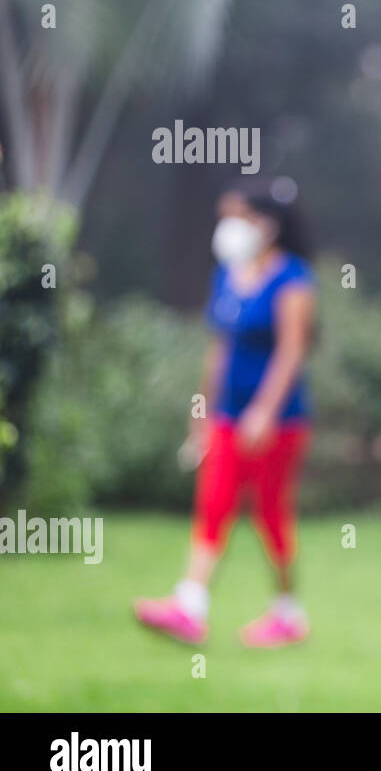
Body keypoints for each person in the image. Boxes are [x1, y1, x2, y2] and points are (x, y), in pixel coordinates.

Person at [134, 175, 317, 648]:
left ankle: (288, 612)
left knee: (270, 514)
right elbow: (219, 351)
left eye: (237, 217)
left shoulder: (293, 279)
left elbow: (292, 351)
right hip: (227, 416)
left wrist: (264, 411)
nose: (228, 227)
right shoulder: (228, 277)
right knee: (214, 503)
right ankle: (190, 606)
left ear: (267, 224)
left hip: (279, 422)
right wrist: (203, 414)